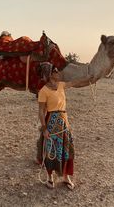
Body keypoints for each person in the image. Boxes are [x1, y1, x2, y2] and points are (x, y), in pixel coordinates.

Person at [36, 62, 95, 190]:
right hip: (51, 122)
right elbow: (41, 111)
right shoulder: (43, 91)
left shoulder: (61, 85)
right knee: (51, 150)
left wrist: (90, 78)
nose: (59, 73)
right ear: (50, 74)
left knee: (67, 149)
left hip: (64, 122)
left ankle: (66, 177)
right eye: (56, 71)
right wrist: (44, 128)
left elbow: (75, 82)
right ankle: (50, 177)